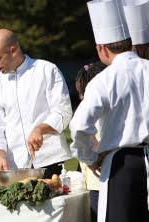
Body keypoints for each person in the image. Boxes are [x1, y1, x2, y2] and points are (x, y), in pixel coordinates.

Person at [70, 1, 149, 221]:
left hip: (120, 167)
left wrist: (89, 157)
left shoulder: (104, 79)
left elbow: (78, 127)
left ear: (102, 48)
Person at [0, 29, 73, 179]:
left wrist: (40, 129)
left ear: (13, 51)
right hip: (15, 166)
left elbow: (63, 112)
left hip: (50, 160)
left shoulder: (47, 70)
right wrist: (0, 156)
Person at [75, 62, 106, 222]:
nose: (80, 97)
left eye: (82, 93)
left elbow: (85, 134)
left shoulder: (91, 110)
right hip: (92, 183)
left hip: (97, 182)